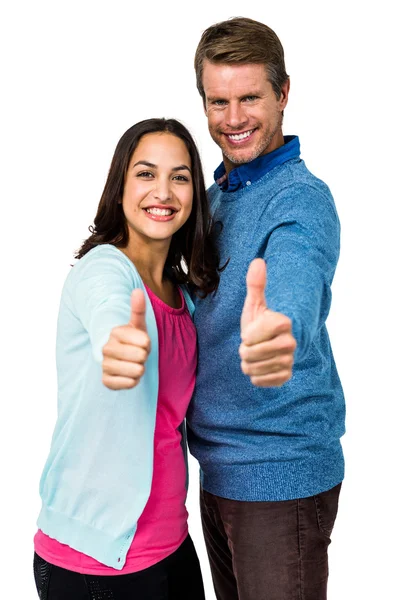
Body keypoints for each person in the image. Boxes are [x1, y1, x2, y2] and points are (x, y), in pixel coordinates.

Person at [102, 17, 346, 600]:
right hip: (216, 475)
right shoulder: (211, 203)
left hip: (278, 477)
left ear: (284, 94)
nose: (233, 119)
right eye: (219, 101)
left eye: (250, 98)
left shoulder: (300, 200)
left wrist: (278, 330)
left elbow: (294, 275)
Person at [33, 117, 223, 600]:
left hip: (172, 545)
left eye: (179, 177)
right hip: (96, 560)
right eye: (145, 173)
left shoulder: (183, 296)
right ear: (119, 186)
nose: (163, 191)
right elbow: (111, 316)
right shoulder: (103, 270)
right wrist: (119, 341)